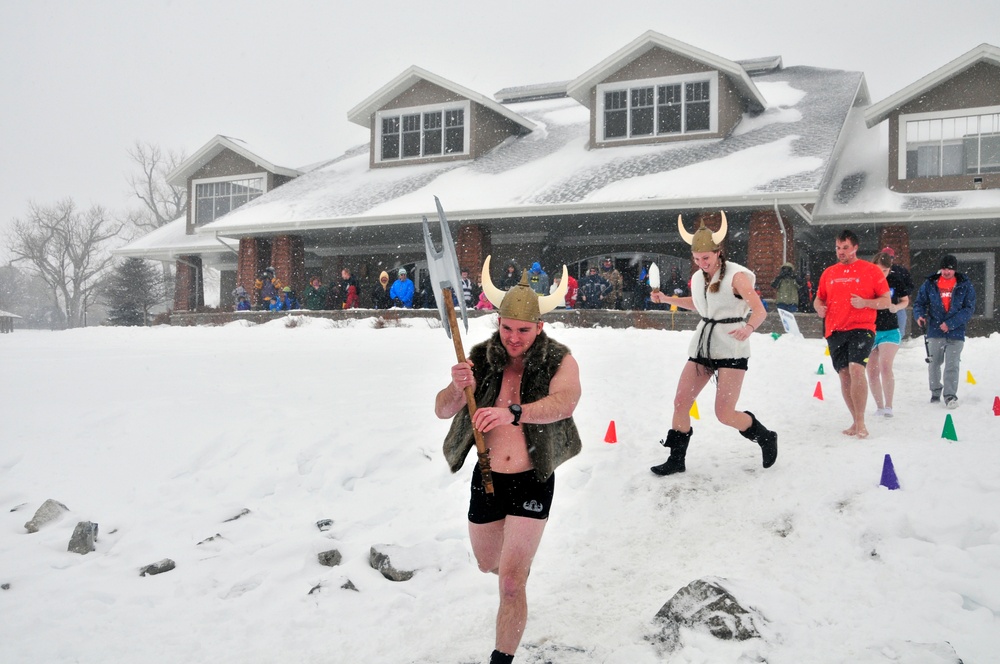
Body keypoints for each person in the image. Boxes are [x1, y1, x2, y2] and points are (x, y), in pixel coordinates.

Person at [435, 257, 580, 664]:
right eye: (506, 328)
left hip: (533, 478)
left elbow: (565, 403)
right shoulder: (480, 357)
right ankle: (516, 570)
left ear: (540, 327)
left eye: (523, 330)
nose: (513, 338)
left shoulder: (558, 359)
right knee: (489, 564)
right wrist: (455, 384)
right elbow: (443, 410)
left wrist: (513, 412)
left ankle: (503, 656)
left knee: (512, 583)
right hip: (487, 478)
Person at [648, 213, 776, 475]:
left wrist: (749, 328)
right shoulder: (698, 278)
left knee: (724, 414)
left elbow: (760, 310)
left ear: (718, 252)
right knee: (681, 400)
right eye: (696, 259)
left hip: (731, 346)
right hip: (703, 345)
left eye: (705, 258)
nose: (701, 263)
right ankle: (676, 459)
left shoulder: (736, 276)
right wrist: (667, 299)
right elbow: (700, 304)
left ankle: (764, 436)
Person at [813, 229, 891, 439]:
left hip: (862, 328)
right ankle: (855, 421)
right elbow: (818, 299)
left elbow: (886, 301)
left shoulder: (871, 271)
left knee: (857, 370)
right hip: (835, 330)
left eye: (845, 247)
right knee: (845, 375)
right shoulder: (829, 273)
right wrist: (818, 307)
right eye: (838, 248)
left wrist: (865, 303)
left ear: (855, 248)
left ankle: (862, 423)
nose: (841, 252)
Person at [913, 254, 976, 409]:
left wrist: (951, 323)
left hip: (956, 332)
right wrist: (919, 315)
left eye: (950, 269)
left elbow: (969, 309)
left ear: (955, 270)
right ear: (940, 269)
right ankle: (935, 391)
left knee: (952, 364)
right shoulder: (930, 284)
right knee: (934, 362)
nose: (947, 272)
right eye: (944, 269)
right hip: (935, 331)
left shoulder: (965, 285)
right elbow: (919, 303)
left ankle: (950, 395)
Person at [867, 251, 910, 418]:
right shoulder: (867, 281)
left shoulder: (895, 280)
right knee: (871, 371)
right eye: (878, 269)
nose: (881, 274)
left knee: (885, 366)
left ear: (889, 269)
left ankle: (889, 406)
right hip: (871, 329)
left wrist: (896, 307)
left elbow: (905, 300)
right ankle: (879, 406)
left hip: (890, 329)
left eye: (885, 270)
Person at [882, 247, 914, 337]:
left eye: (890, 258)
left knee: (899, 331)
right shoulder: (875, 271)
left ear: (893, 258)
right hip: (879, 306)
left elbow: (910, 285)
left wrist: (901, 293)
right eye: (885, 258)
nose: (888, 260)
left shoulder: (900, 271)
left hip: (897, 304)